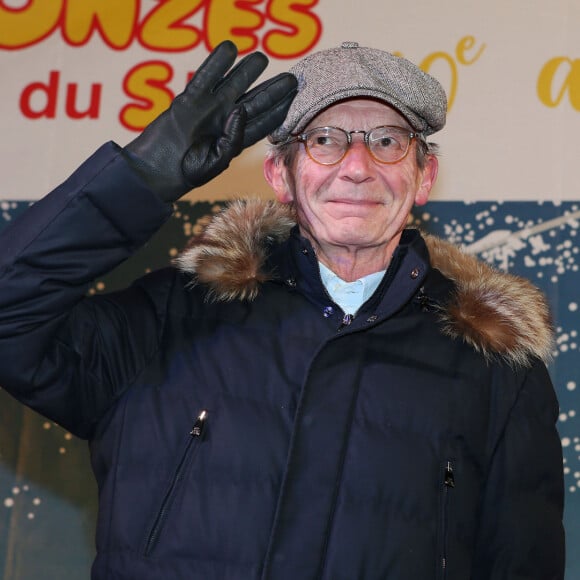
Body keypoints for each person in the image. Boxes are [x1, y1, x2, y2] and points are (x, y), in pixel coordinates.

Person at [0, 39, 565, 580]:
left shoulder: (497, 371)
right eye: (324, 139)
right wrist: (133, 183)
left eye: (388, 141)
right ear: (281, 176)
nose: (357, 166)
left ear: (424, 177)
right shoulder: (172, 313)